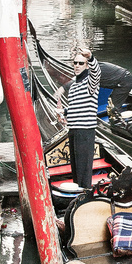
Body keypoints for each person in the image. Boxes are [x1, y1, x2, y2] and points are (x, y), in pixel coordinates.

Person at [57, 47, 101, 189]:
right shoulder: (74, 86)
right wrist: (63, 112)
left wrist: (90, 57)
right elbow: (75, 107)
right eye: (75, 63)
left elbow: (97, 73)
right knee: (75, 166)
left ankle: (85, 193)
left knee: (84, 167)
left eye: (81, 63)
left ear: (86, 65)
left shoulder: (90, 83)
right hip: (73, 129)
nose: (77, 65)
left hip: (85, 130)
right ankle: (78, 194)